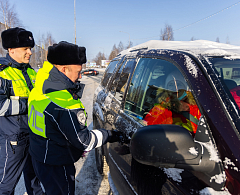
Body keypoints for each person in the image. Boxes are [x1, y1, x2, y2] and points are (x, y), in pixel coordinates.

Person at [28, 41, 123, 195]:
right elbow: (83, 140)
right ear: (63, 69)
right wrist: (111, 135)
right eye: (78, 71)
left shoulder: (41, 83)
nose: (80, 76)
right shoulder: (64, 102)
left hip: (39, 154)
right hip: (57, 163)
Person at [0, 27, 43, 195]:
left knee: (35, 179)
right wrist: (29, 103)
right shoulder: (3, 72)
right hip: (13, 140)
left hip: (33, 135)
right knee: (5, 185)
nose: (30, 52)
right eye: (25, 48)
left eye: (30, 48)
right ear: (11, 49)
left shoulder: (31, 71)